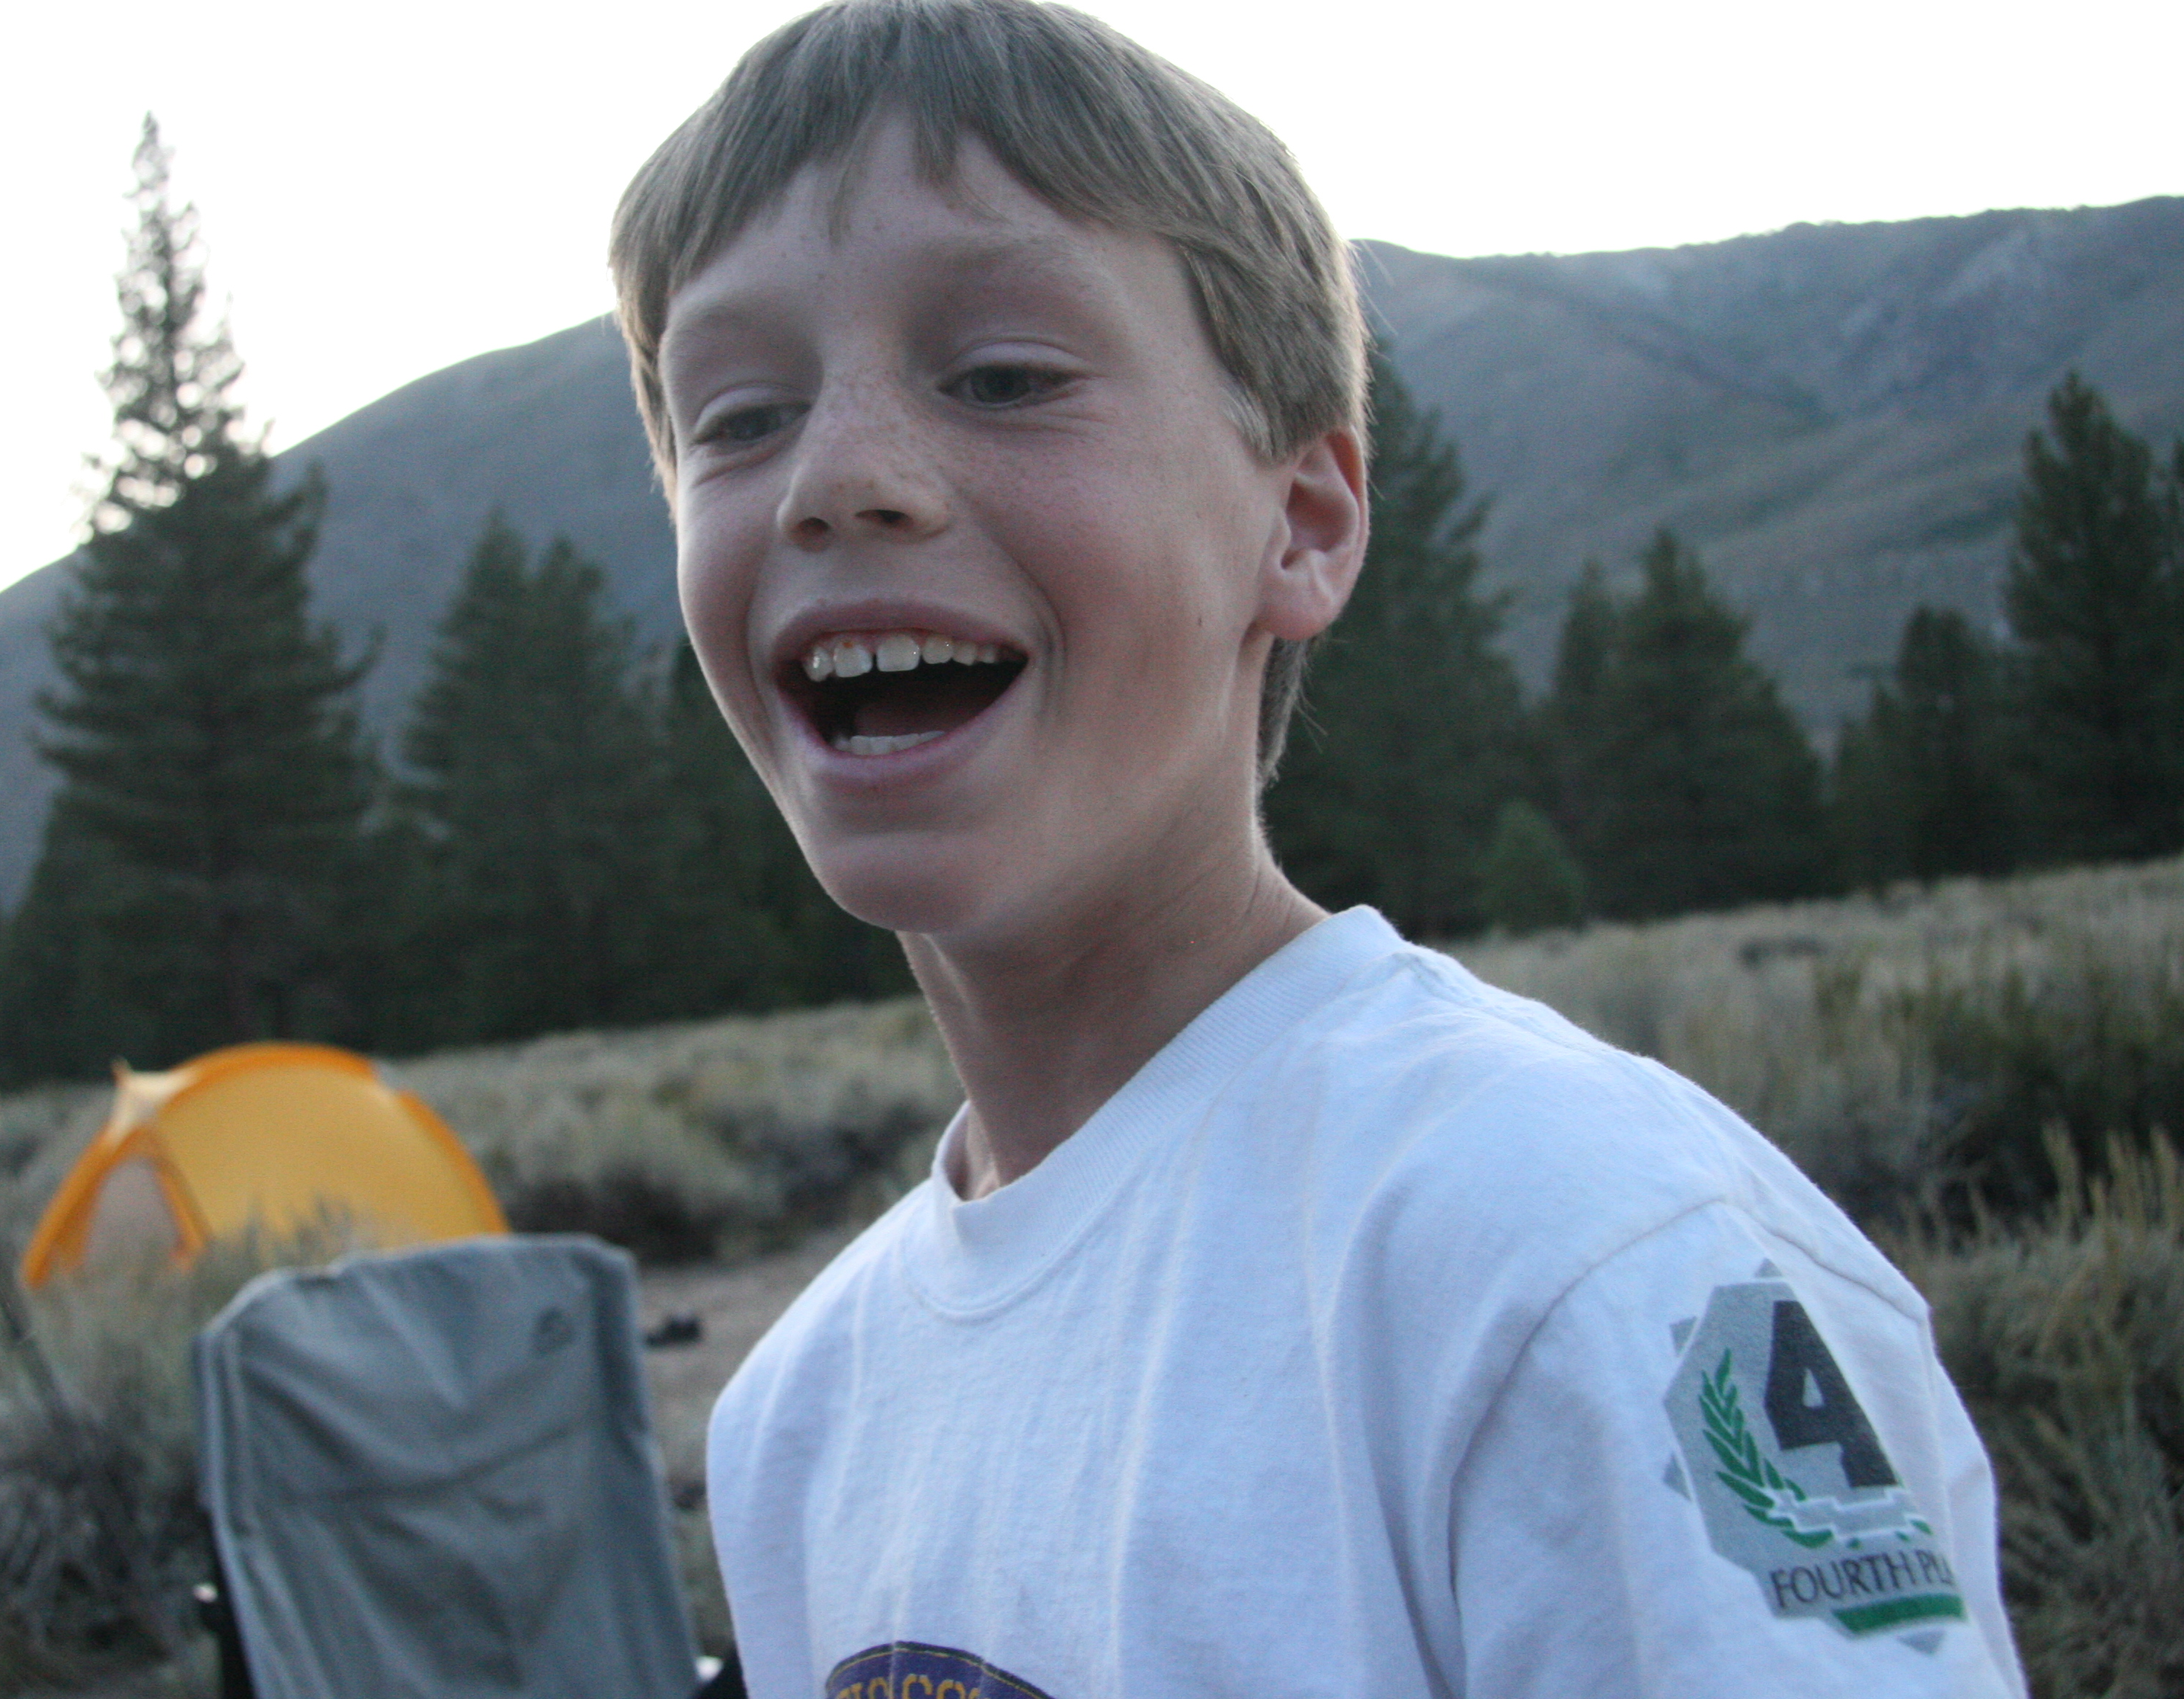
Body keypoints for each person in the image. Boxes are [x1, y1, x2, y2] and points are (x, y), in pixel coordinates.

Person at [608, 2, 2027, 1693]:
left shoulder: (1576, 1256)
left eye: (1002, 378)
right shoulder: (798, 1418)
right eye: (739, 416)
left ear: (1302, 524)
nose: (837, 479)